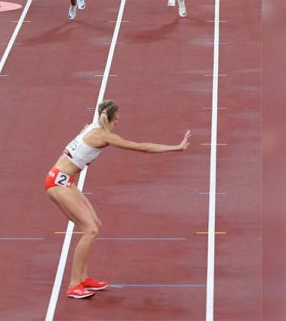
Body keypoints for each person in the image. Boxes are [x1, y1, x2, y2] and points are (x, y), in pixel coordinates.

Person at [45, 100, 191, 298]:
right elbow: (143, 147)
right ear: (116, 117)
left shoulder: (92, 129)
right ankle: (73, 285)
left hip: (63, 180)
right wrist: (176, 147)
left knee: (95, 224)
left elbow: (82, 135)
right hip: (58, 184)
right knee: (90, 230)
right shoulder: (103, 136)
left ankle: (84, 277)